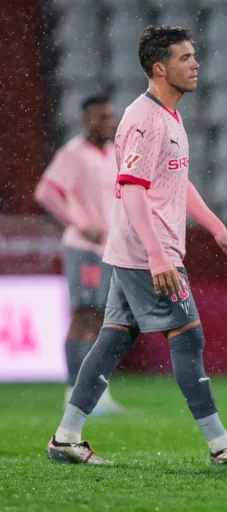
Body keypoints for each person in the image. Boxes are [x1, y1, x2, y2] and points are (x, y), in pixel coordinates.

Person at [46, 26, 227, 465]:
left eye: (194, 56)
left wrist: (217, 228)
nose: (196, 64)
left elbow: (175, 182)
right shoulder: (144, 119)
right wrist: (156, 254)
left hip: (136, 249)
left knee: (112, 341)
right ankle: (219, 442)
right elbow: (132, 189)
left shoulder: (169, 116)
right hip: (146, 250)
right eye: (186, 57)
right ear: (159, 67)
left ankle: (66, 436)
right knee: (189, 337)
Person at [34, 95, 124, 414]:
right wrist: (79, 223)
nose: (108, 123)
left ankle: (98, 394)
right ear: (86, 120)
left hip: (111, 249)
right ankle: (74, 393)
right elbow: (45, 191)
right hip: (84, 249)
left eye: (110, 117)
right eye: (101, 117)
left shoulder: (114, 153)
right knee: (84, 315)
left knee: (103, 319)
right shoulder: (73, 153)